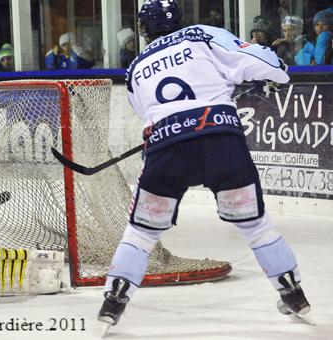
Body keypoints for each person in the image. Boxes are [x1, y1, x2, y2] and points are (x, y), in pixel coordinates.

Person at [97, 0, 310, 332]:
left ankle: (113, 300)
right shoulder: (202, 34)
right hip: (221, 143)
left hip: (166, 150)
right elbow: (261, 61)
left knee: (140, 234)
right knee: (257, 227)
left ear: (143, 29)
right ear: (180, 18)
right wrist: (276, 73)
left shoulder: (136, 68)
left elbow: (148, 115)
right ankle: (293, 293)